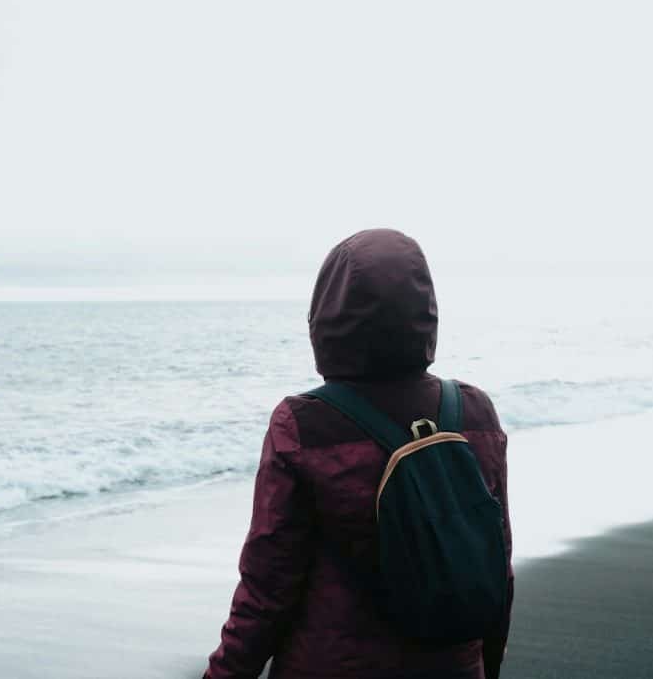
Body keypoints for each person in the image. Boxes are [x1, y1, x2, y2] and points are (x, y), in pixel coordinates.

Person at [203, 228, 513, 679]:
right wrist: (486, 664)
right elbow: (494, 567)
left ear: (327, 314)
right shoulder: (475, 412)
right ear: (425, 311)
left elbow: (266, 592)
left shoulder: (304, 425)